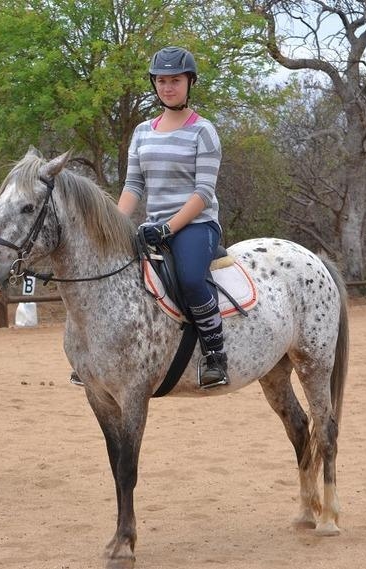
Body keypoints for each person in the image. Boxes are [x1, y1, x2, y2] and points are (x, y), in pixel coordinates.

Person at [117, 46, 227, 388]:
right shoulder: (142, 132)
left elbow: (203, 192)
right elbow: (134, 185)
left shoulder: (203, 131)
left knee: (192, 278)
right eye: (162, 81)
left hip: (196, 225)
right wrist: (116, 226)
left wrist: (167, 228)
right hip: (153, 227)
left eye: (175, 81)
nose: (168, 87)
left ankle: (215, 354)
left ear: (189, 83)